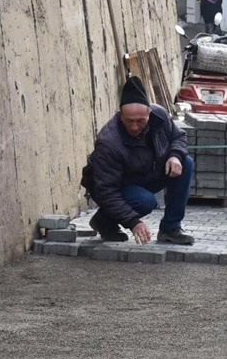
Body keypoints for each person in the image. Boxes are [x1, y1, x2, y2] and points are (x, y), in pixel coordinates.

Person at [83, 76, 195, 244]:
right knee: (145, 201)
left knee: (185, 163)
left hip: (146, 174)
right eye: (129, 121)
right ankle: (104, 221)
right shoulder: (108, 142)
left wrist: (175, 156)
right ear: (120, 115)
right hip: (116, 186)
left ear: (149, 114)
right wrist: (134, 223)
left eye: (140, 121)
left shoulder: (160, 116)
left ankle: (170, 229)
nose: (135, 126)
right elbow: (106, 192)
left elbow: (178, 137)